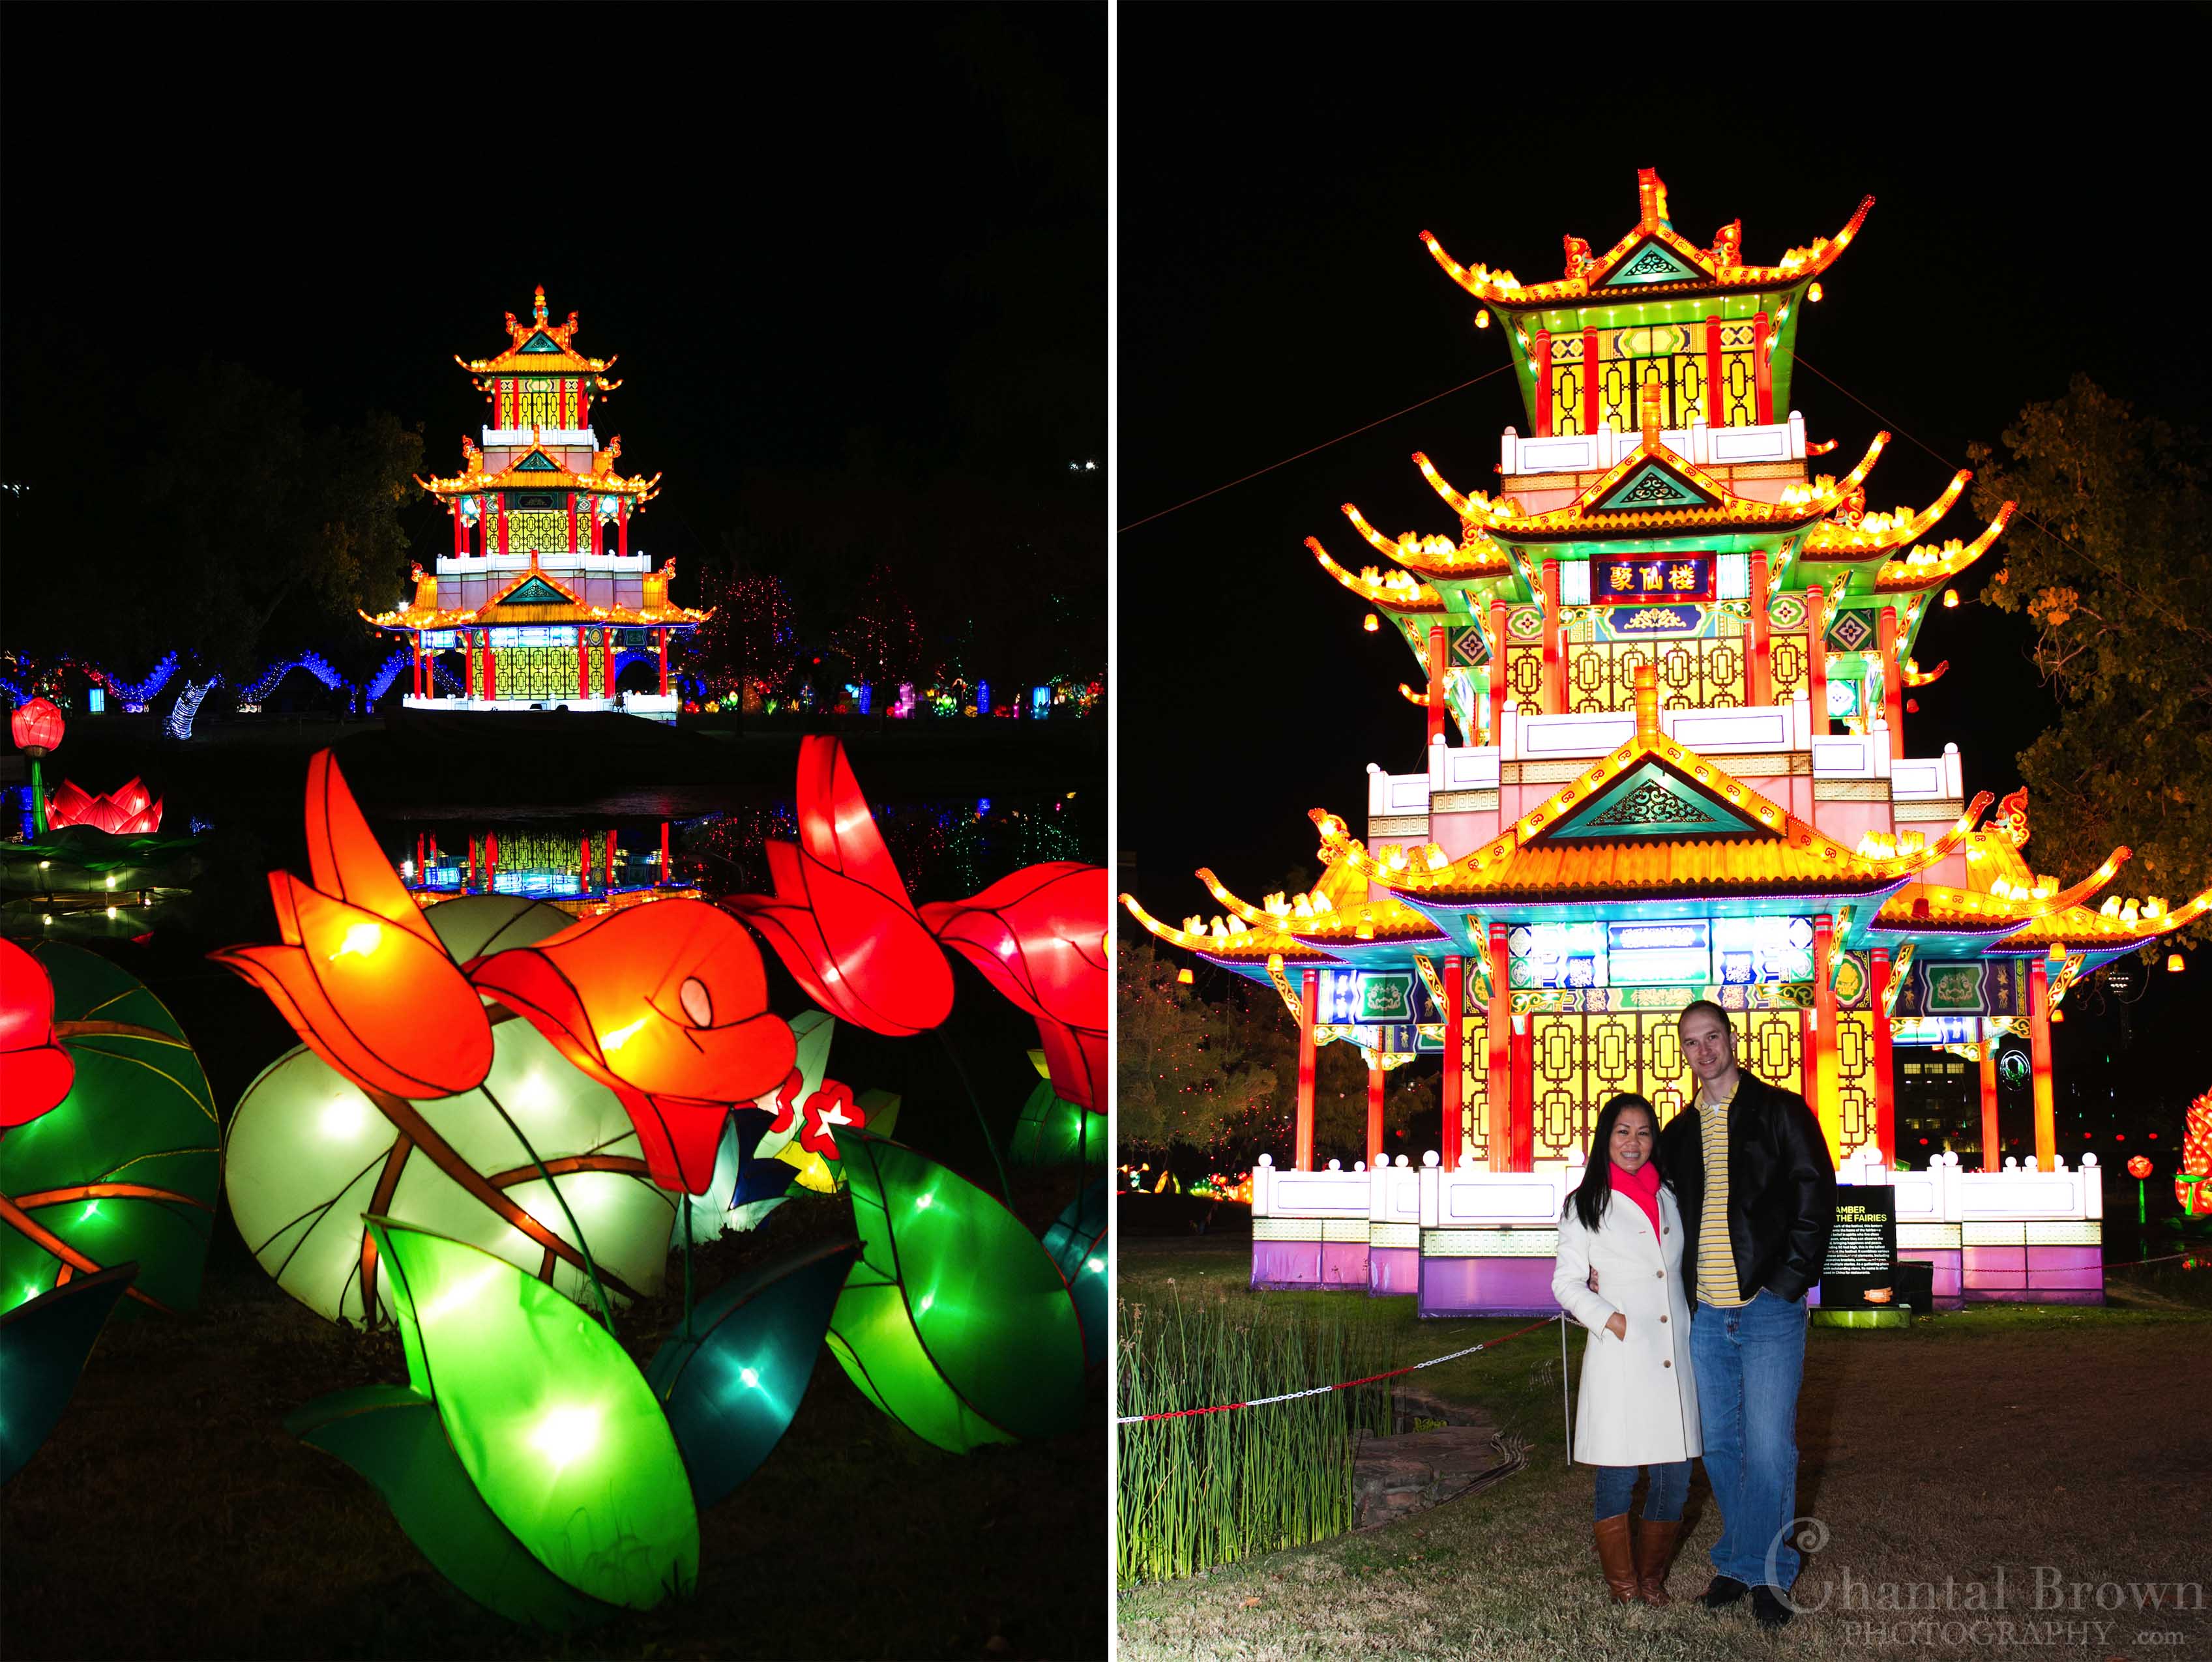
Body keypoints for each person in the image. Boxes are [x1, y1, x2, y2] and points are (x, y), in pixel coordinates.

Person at [1657, 999, 1835, 1629]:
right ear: (1681, 1052)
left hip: (1767, 1309)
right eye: (1690, 1043)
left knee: (1766, 1447)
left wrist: (1787, 1282)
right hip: (1707, 1312)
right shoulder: (1678, 1134)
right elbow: (1643, 1194)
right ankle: (1737, 1563)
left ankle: (1770, 1571)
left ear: (1731, 1039)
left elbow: (1817, 1194)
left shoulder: (1779, 1112)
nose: (1703, 1051)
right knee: (1721, 1447)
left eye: (1712, 1037)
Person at [1551, 1092, 1700, 1606]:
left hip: (1672, 1350)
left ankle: (1652, 1579)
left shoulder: (1671, 1196)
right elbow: (1566, 1283)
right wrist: (1606, 1318)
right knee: (1617, 1473)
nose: (1632, 1143)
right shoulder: (1584, 1203)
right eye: (1621, 1131)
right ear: (1604, 1138)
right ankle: (1622, 1585)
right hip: (1621, 1352)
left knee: (1673, 1475)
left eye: (1642, 1132)